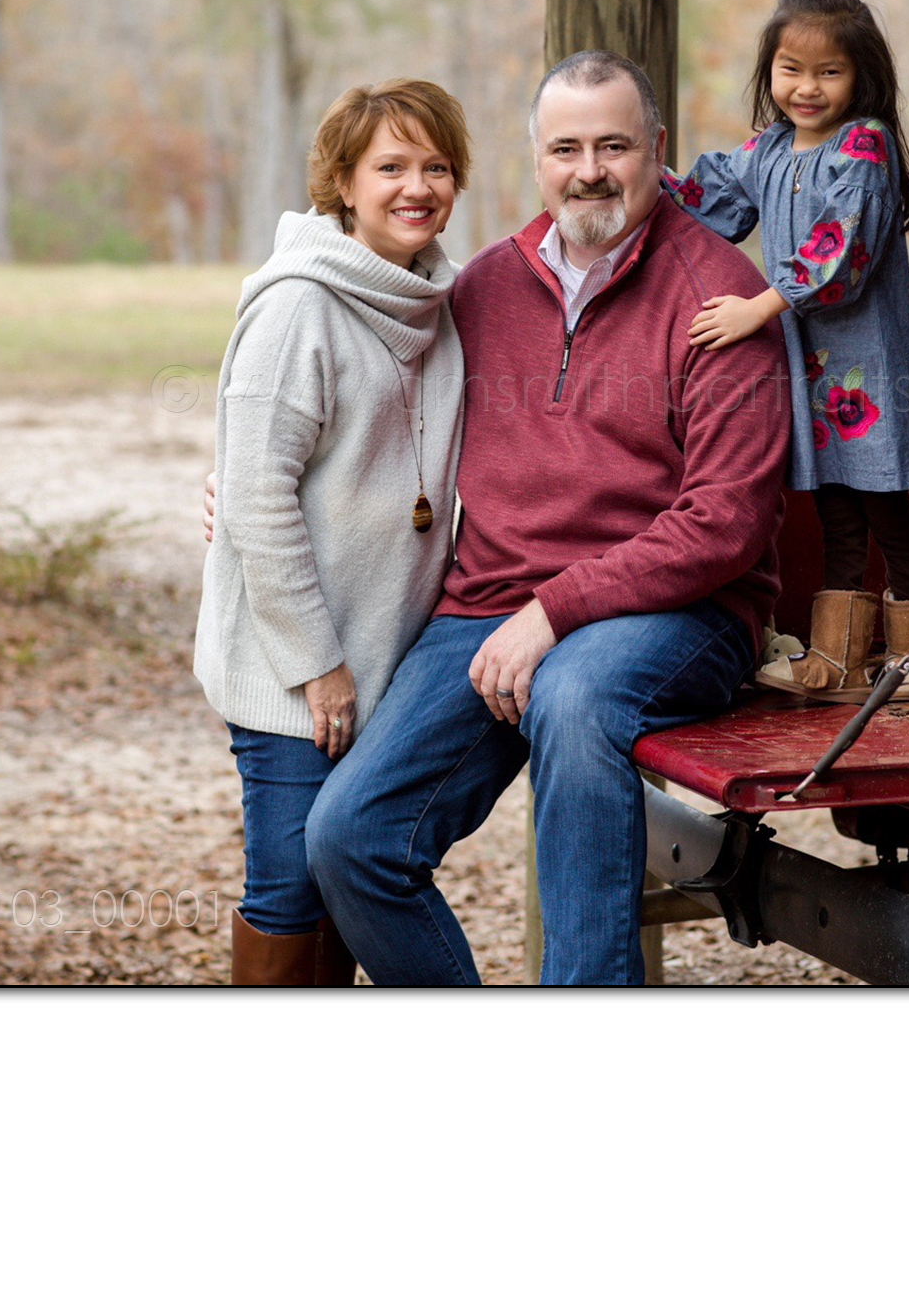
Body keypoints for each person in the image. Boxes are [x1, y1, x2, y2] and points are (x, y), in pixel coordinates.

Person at [298, 50, 791, 985]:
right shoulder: (483, 288)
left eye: (614, 146)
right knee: (351, 838)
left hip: (678, 613)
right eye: (566, 148)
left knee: (573, 692)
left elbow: (725, 522)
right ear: (536, 158)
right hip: (490, 606)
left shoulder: (717, 295)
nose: (589, 170)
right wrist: (255, 477)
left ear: (657, 149)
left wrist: (555, 612)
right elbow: (374, 413)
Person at [195, 78, 472, 985]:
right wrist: (318, 666)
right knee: (290, 895)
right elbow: (256, 495)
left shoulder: (440, 302)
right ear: (343, 185)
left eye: (437, 167)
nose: (417, 187)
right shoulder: (299, 308)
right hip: (293, 670)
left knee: (346, 885)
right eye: (390, 167)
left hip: (385, 656)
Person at [663, 0, 909, 702]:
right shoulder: (769, 148)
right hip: (810, 364)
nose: (807, 88)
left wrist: (758, 306)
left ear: (861, 77)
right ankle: (837, 658)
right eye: (791, 69)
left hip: (863, 364)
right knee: (835, 504)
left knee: (882, 497)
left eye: (829, 73)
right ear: (770, 70)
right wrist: (639, 170)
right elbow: (708, 201)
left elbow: (838, 252)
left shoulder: (863, 147)